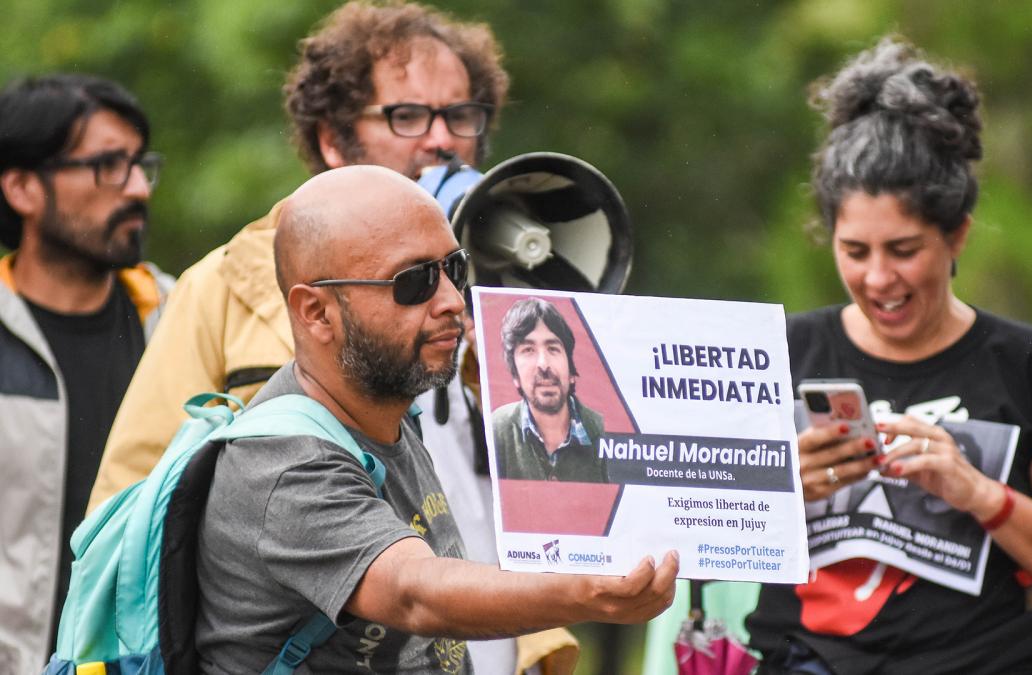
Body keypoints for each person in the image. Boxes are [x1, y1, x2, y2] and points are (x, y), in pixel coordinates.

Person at [84, 2, 558, 671]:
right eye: (408, 115)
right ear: (333, 140)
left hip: (501, 641)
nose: (442, 140)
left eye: (461, 115)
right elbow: (141, 503)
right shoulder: (225, 284)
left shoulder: (506, 285)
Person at [195, 164, 678, 673]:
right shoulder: (284, 465)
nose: (452, 301)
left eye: (455, 268)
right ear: (317, 312)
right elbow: (413, 595)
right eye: (415, 282)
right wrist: (586, 592)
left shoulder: (389, 408)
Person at [743, 37, 1032, 674]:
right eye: (855, 252)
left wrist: (978, 492)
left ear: (958, 235)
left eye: (903, 249)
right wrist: (778, 489)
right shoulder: (780, 355)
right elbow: (687, 535)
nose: (878, 279)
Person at [0, 74, 173, 673]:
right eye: (105, 166)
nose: (135, 189)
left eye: (138, 165)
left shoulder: (180, 323)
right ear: (22, 186)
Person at [491, 297, 608, 482]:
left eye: (553, 349)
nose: (543, 364)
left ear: (571, 370)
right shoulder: (496, 429)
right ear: (515, 376)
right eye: (528, 350)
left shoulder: (605, 432)